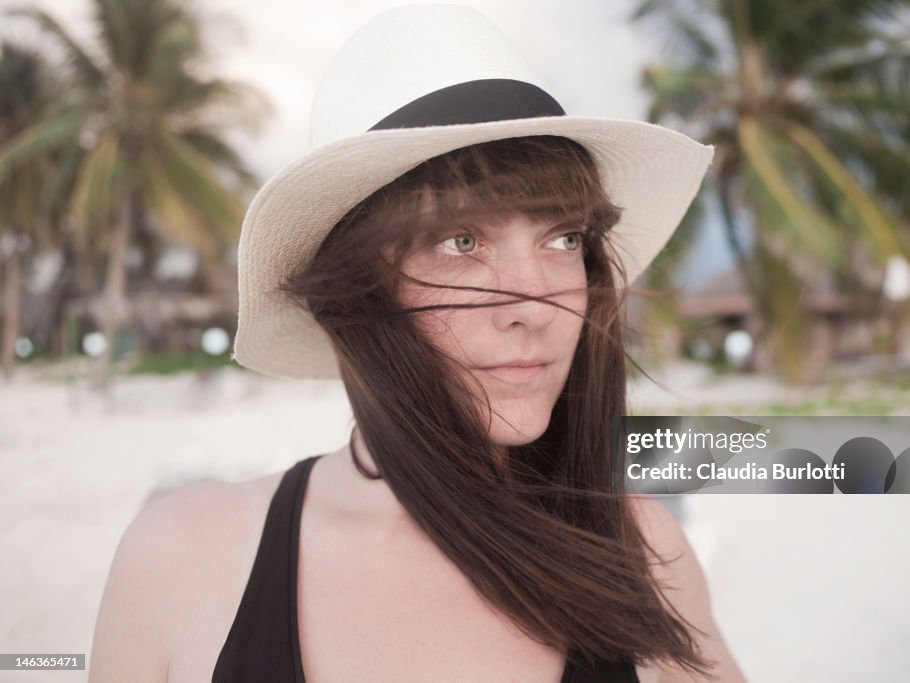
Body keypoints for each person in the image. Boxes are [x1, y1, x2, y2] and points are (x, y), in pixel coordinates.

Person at [88, 5, 746, 682]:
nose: (534, 304)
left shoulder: (641, 554)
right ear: (357, 293)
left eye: (563, 238)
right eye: (461, 240)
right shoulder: (185, 557)